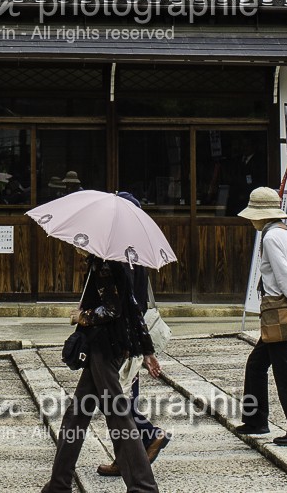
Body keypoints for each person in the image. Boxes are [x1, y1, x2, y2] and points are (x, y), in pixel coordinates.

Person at [41, 253, 162, 493]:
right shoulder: (127, 260)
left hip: (103, 349)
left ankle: (144, 487)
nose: (76, 247)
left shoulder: (105, 262)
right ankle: (58, 484)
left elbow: (112, 309)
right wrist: (147, 350)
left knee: (118, 415)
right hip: (113, 347)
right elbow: (133, 307)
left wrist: (83, 317)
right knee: (76, 415)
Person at [96, 193, 171, 478]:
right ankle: (125, 456)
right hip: (132, 337)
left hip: (122, 338)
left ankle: (149, 435)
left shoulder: (120, 255)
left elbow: (126, 305)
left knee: (119, 400)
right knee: (121, 398)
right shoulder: (135, 252)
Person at [235, 186, 287, 446]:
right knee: (257, 364)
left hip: (277, 310)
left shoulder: (270, 238)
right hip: (284, 308)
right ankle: (255, 420)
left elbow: (284, 277)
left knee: (284, 371)